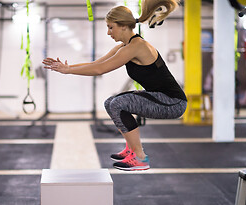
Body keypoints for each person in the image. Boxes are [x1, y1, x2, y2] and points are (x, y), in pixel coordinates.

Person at [43, 0, 187, 171]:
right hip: (160, 98)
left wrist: (68, 71)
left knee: (118, 104)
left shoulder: (136, 46)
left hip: (173, 103)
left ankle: (140, 157)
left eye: (111, 27)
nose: (108, 32)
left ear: (124, 26)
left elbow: (99, 69)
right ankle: (131, 150)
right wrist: (67, 68)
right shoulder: (124, 47)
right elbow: (97, 63)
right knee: (110, 102)